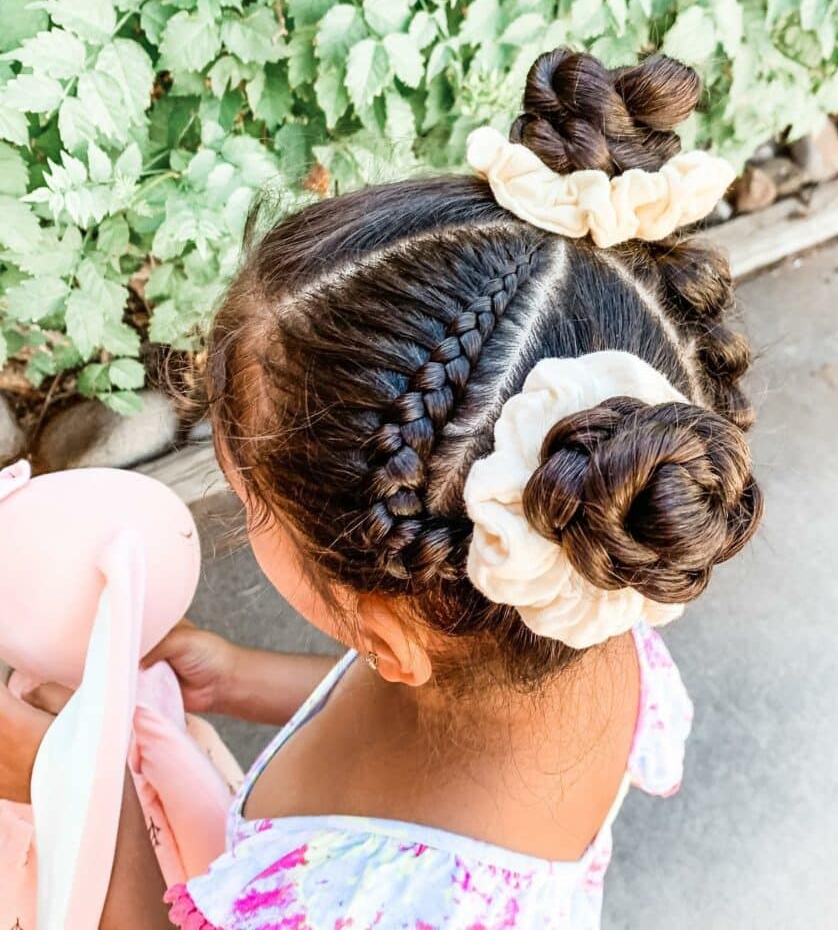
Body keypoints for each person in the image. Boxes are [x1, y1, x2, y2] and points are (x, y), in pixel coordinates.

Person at [0, 48, 763, 929]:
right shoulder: (592, 584)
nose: (244, 511)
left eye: (251, 503)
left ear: (390, 634)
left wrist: (76, 800)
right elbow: (418, 694)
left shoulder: (360, 911)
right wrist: (244, 679)